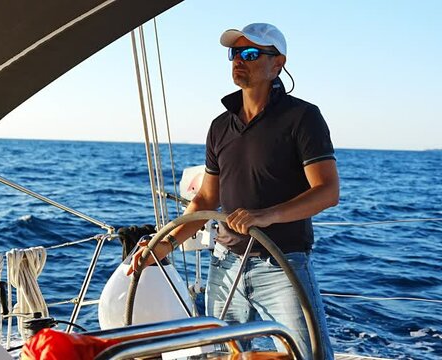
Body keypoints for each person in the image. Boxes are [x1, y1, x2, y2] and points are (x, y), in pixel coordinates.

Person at [128, 23, 338, 359]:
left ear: (277, 63)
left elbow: (327, 191)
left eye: (251, 53)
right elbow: (206, 200)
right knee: (222, 356)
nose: (239, 60)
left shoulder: (303, 118)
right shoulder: (220, 126)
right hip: (225, 265)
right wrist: (164, 245)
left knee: (309, 355)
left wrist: (266, 216)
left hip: (281, 265)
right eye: (235, 53)